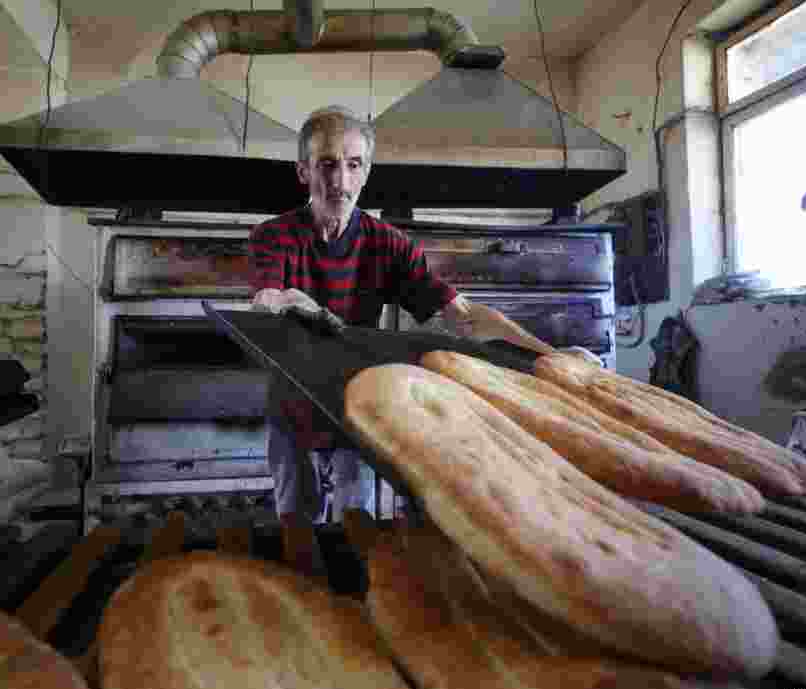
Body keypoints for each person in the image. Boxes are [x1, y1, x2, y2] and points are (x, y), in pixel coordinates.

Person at [250, 105, 585, 533]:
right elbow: (267, 300)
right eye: (327, 165)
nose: (340, 182)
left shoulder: (389, 246)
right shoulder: (274, 237)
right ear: (303, 170)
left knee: (360, 530)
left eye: (353, 166)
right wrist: (295, 304)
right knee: (295, 530)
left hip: (358, 406)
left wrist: (549, 357)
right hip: (291, 408)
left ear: (367, 172)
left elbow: (462, 317)